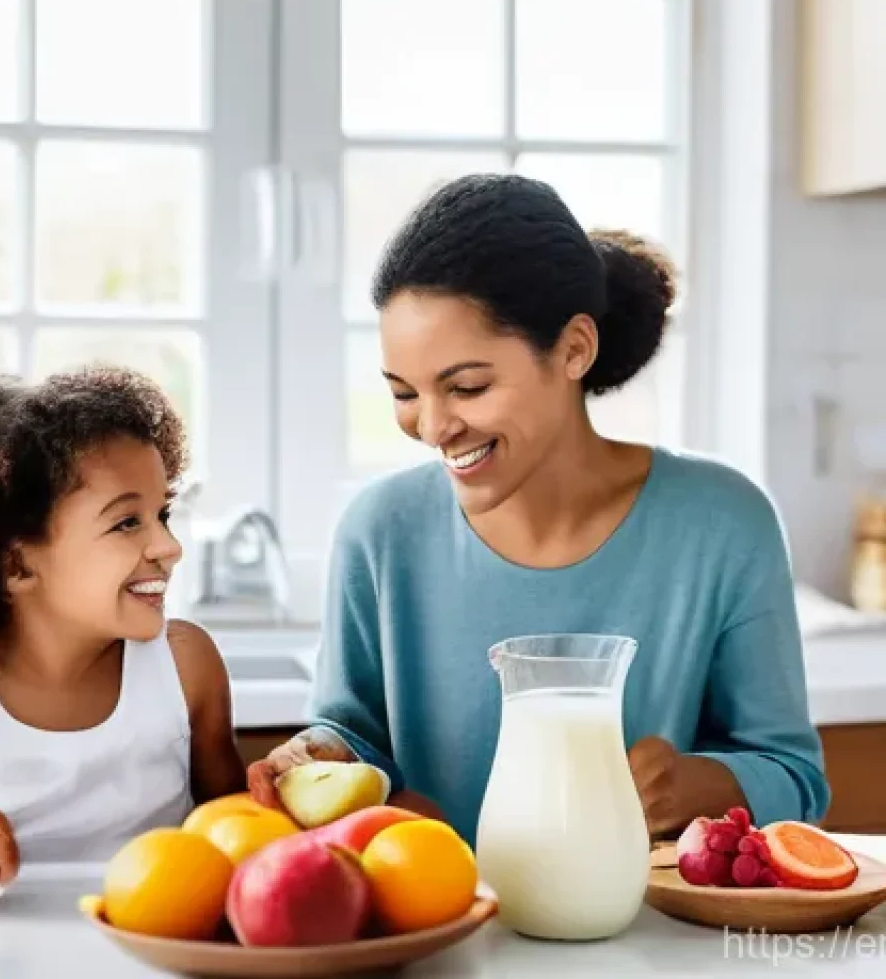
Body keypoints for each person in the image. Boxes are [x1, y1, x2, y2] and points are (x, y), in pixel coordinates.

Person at [249, 173, 830, 848]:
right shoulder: (380, 532)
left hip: (635, 912)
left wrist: (692, 785)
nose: (432, 427)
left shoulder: (721, 523)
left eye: (468, 386)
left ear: (574, 349)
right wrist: (320, 754)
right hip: (438, 905)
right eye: (404, 393)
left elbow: (795, 777)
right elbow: (355, 738)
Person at [0, 366, 246, 905]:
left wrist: (280, 794)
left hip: (145, 942)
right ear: (17, 564)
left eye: (162, 513)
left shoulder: (187, 665)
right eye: (126, 522)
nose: (169, 546)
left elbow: (233, 821)